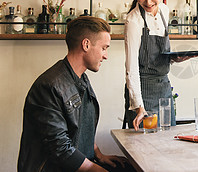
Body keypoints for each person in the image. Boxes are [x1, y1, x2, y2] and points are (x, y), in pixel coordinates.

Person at [18, 16, 133, 172]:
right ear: (86, 44)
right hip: (53, 168)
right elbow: (60, 148)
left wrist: (99, 155)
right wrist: (96, 169)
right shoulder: (49, 86)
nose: (106, 55)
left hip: (76, 164)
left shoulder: (81, 78)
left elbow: (81, 127)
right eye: (104, 48)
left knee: (127, 167)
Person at [123, 0, 193, 131]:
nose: (148, 2)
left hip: (164, 88)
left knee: (169, 141)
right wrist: (139, 107)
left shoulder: (164, 11)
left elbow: (156, 54)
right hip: (143, 92)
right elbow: (131, 69)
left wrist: (173, 58)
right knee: (145, 147)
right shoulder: (133, 21)